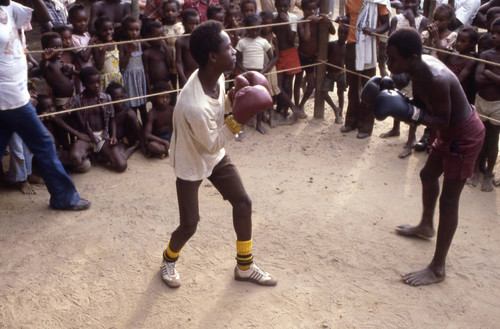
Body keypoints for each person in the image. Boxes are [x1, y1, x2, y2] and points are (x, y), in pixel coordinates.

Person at [160, 20, 276, 288]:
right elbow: (212, 141)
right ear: (213, 56)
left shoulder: (216, 75)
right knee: (190, 225)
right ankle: (168, 259)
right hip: (191, 159)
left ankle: (244, 267)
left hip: (213, 153)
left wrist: (233, 99)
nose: (234, 49)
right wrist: (240, 116)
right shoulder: (193, 104)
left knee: (243, 202)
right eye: (228, 47)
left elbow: (216, 123)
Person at [371, 27, 485, 286]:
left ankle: (438, 268)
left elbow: (441, 120)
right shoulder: (416, 69)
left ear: (412, 57)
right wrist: (401, 101)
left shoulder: (434, 76)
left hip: (464, 135)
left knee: (449, 199)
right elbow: (426, 107)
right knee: (427, 174)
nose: (388, 63)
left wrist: (407, 113)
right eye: (387, 57)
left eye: (393, 58)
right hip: (447, 131)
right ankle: (425, 225)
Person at [0, 0, 90, 210]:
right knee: (44, 142)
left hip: (15, 93)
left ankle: (63, 197)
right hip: (9, 96)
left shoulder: (9, 7)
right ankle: (64, 197)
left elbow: (47, 23)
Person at [379, 0, 428, 158]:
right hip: (397, 66)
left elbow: (419, 43)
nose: (410, 4)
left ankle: (411, 138)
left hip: (411, 68)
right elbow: (391, 39)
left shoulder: (423, 21)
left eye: (413, 1)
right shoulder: (396, 19)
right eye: (407, 1)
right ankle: (395, 128)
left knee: (412, 102)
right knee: (396, 97)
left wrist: (413, 21)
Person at [335, 0, 390, 139]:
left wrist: (374, 31)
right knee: (352, 85)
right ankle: (351, 121)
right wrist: (342, 19)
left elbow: (386, 24)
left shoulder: (379, 1)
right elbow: (350, 17)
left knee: (368, 86)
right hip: (352, 44)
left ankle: (365, 126)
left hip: (368, 46)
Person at [64, 66, 127, 173]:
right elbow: (57, 117)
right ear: (84, 84)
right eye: (92, 83)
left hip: (103, 137)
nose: (96, 85)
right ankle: (91, 154)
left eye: (98, 82)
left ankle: (98, 155)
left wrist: (113, 136)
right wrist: (77, 134)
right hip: (86, 138)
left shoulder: (106, 98)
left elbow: (112, 118)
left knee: (122, 165)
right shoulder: (76, 100)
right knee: (75, 157)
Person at [468, 17, 500, 192]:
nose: (493, 36)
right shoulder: (486, 55)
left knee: (493, 139)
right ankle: (475, 169)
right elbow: (478, 79)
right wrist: (494, 78)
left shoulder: (488, 59)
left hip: (498, 105)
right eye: (493, 32)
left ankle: (488, 173)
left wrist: (489, 73)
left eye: (498, 34)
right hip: (481, 101)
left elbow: (484, 75)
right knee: (479, 136)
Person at [235, 13, 274, 135]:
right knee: (243, 99)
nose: (255, 32)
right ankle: (241, 126)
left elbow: (272, 58)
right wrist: (244, 71)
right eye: (252, 29)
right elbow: (237, 59)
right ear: (246, 28)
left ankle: (258, 124)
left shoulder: (263, 42)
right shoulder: (242, 42)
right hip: (246, 74)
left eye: (257, 29)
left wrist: (264, 71)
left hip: (259, 73)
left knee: (260, 99)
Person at [296, 0, 335, 113]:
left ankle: (301, 104)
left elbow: (332, 32)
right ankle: (297, 106)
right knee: (297, 83)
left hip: (311, 58)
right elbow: (306, 38)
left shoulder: (320, 22)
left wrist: (328, 22)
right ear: (303, 10)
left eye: (315, 9)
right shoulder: (301, 22)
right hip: (301, 56)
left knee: (312, 85)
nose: (312, 11)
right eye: (309, 9)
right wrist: (308, 21)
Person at [273, 0, 304, 121]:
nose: (282, 8)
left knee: (288, 84)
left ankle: (285, 112)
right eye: (280, 6)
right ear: (276, 6)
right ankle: (292, 107)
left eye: (285, 6)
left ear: (289, 6)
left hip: (290, 52)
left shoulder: (293, 18)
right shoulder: (273, 17)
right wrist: (278, 21)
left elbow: (291, 40)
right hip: (278, 53)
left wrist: (286, 22)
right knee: (277, 85)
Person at [119, 16, 148, 125]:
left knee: (143, 106)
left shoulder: (140, 42)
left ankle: (145, 130)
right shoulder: (123, 44)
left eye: (137, 30)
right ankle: (136, 129)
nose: (134, 33)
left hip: (140, 77)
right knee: (132, 106)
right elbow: (122, 65)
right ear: (125, 30)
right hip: (130, 78)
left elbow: (151, 47)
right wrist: (129, 51)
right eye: (131, 30)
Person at [105, 82, 142, 159]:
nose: (120, 101)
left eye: (122, 97)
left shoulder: (128, 112)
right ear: (109, 98)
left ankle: (135, 146)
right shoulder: (107, 111)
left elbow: (139, 130)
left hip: (125, 141)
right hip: (114, 141)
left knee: (120, 156)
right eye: (116, 98)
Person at [445, 26, 479, 105]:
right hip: (446, 91)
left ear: (472, 44)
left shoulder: (471, 60)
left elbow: (458, 80)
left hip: (458, 95)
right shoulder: (452, 56)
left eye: (463, 41)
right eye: (458, 40)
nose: (458, 44)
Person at [322, 24, 348, 124]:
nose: (343, 35)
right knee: (324, 92)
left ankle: (340, 114)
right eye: (341, 32)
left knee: (340, 94)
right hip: (330, 73)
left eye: (345, 34)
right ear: (338, 32)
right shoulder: (332, 45)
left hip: (341, 73)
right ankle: (335, 108)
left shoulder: (347, 47)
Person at [92, 15, 123, 92]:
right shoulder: (97, 46)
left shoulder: (116, 44)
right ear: (98, 31)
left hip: (116, 78)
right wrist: (103, 51)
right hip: (104, 80)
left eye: (111, 29)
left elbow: (121, 65)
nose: (109, 32)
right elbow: (99, 66)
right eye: (104, 30)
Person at [144, 82, 174, 158]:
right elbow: (147, 135)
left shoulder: (172, 110)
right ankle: (169, 150)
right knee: (152, 146)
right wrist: (164, 142)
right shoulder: (152, 113)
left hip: (171, 137)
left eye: (167, 97)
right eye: (161, 97)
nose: (165, 100)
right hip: (158, 140)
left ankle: (167, 150)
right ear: (155, 98)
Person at [143, 21, 173, 93]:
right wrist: (148, 87)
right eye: (157, 35)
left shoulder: (168, 49)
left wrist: (165, 49)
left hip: (167, 83)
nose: (160, 38)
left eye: (162, 35)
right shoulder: (147, 53)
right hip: (154, 85)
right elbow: (146, 72)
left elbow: (170, 65)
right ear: (149, 36)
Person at [175, 9, 200, 86]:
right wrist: (183, 78)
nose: (194, 27)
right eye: (191, 24)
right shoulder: (180, 41)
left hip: (201, 73)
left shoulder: (201, 38)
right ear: (183, 23)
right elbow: (178, 62)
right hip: (188, 74)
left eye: (197, 24)